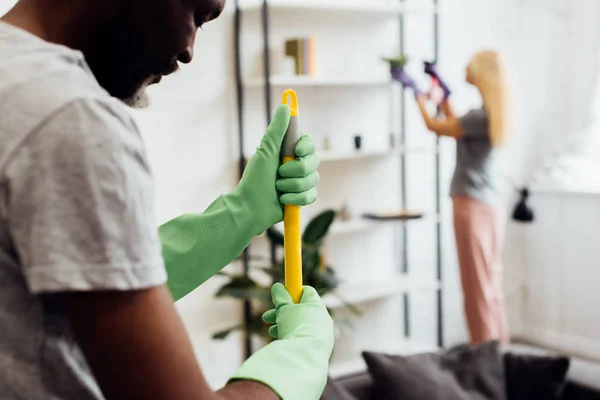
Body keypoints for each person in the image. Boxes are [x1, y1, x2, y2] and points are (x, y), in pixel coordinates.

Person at [0, 1, 333, 399]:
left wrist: (241, 213)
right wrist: (300, 359)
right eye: (196, 14)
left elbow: (54, 286)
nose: (189, 50)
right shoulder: (69, 117)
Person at [394, 50, 514, 345]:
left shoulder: (478, 117)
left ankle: (483, 357)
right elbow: (456, 124)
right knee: (489, 287)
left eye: (470, 65)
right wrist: (441, 92)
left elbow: (436, 127)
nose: (465, 66)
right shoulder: (489, 116)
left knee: (475, 289)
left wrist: (416, 94)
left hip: (470, 207)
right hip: (488, 206)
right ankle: (499, 351)